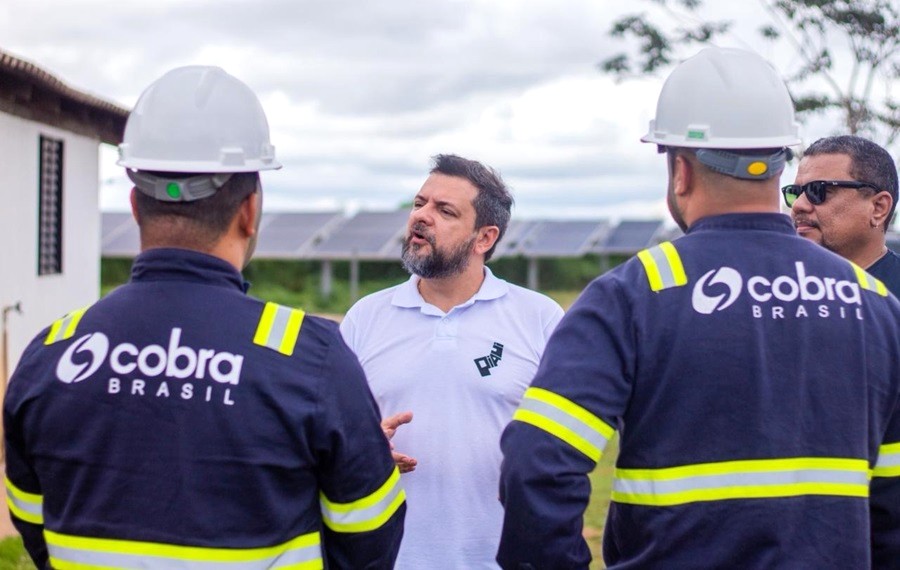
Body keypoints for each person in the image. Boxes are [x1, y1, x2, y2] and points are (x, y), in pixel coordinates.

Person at [497, 47, 900, 569]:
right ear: (779, 165)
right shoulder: (872, 301)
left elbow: (537, 464)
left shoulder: (634, 294)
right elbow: (891, 499)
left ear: (680, 170)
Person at [3, 66, 404, 569]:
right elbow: (368, 538)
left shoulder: (53, 352)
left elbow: (32, 520)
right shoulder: (310, 359)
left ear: (135, 204)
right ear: (249, 211)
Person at [340, 154, 564, 569]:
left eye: (445, 211)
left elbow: (566, 447)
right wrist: (364, 449)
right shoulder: (364, 318)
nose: (421, 216)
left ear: (484, 238)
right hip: (391, 559)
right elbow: (330, 440)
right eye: (419, 203)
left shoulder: (540, 318)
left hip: (505, 558)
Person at [785, 135, 900, 295]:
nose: (798, 205)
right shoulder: (776, 288)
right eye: (794, 192)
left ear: (878, 208)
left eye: (818, 190)